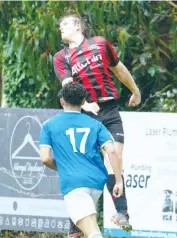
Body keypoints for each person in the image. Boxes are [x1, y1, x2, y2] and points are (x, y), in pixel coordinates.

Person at [53, 14, 141, 236]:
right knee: (86, 169)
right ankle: (76, 224)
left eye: (64, 24)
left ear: (78, 26)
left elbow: (119, 69)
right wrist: (85, 104)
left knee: (115, 157)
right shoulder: (61, 57)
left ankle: (122, 214)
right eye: (59, 26)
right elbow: (68, 86)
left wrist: (135, 90)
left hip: (109, 110)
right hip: (84, 117)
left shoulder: (100, 43)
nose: (60, 28)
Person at [39, 82, 123, 238]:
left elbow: (44, 158)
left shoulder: (48, 125)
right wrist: (118, 180)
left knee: (92, 232)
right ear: (84, 102)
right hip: (96, 183)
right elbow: (111, 150)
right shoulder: (96, 124)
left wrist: (63, 168)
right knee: (78, 230)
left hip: (74, 184)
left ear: (62, 100)